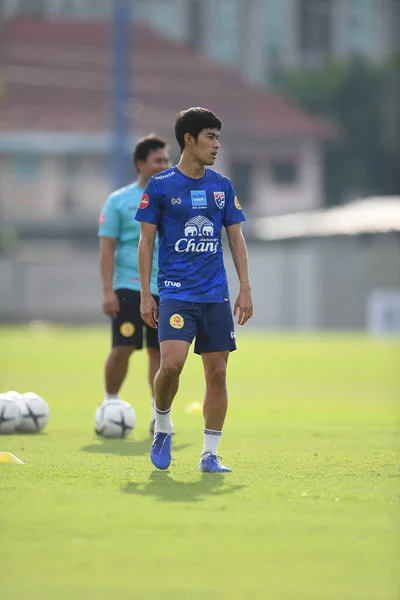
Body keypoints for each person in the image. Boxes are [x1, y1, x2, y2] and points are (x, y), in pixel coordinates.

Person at [135, 107, 253, 473]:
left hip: (214, 295)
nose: (217, 145)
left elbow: (236, 239)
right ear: (189, 139)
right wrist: (144, 293)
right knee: (170, 366)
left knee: (217, 374)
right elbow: (146, 242)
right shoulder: (160, 186)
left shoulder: (222, 186)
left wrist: (245, 287)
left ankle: (210, 454)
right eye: (211, 137)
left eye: (218, 137)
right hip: (174, 293)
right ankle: (163, 424)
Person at [98, 134, 170, 434]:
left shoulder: (172, 199)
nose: (164, 165)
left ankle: (159, 416)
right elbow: (106, 249)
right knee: (123, 347)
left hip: (165, 288)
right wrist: (107, 291)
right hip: (128, 287)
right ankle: (110, 404)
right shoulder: (118, 201)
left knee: (159, 353)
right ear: (141, 163)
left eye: (167, 160)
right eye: (158, 160)